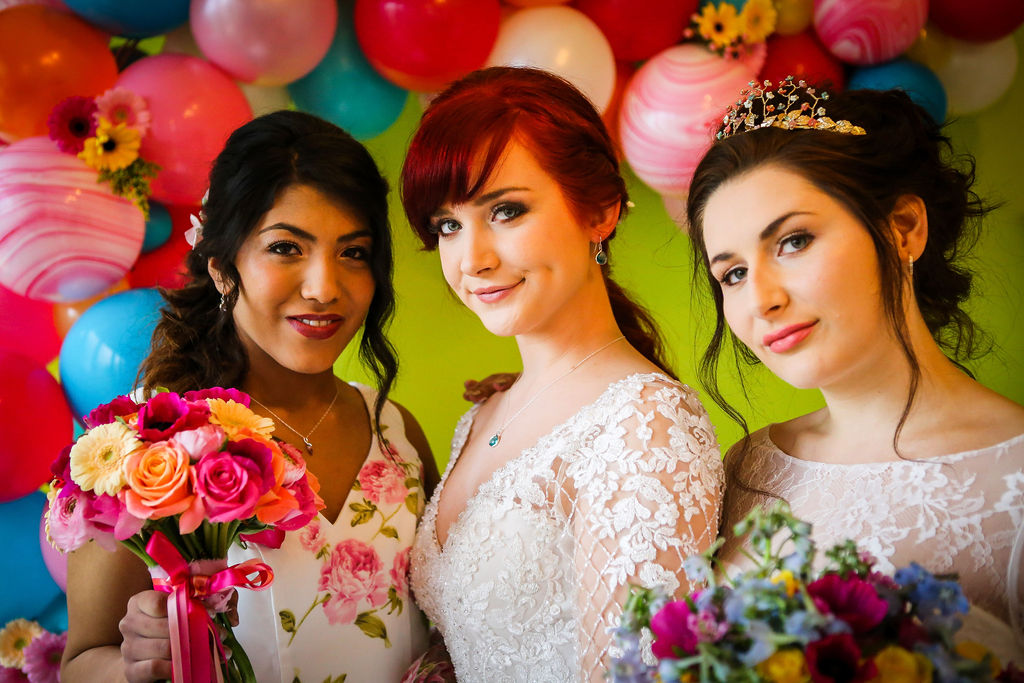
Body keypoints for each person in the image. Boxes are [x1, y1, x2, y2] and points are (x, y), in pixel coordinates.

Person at [61, 110, 440, 682]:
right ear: (221, 267)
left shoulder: (397, 431)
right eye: (286, 248)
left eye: (354, 252)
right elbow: (81, 663)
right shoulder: (141, 450)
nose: (323, 288)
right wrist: (134, 664)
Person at [399, 66, 724, 682]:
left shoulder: (645, 426)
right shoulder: (483, 416)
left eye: (506, 211)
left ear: (599, 209)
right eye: (449, 224)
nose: (473, 259)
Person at [685, 80, 1024, 661]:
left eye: (793, 241)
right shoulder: (746, 467)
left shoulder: (1013, 478)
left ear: (904, 229)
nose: (760, 298)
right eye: (732, 274)